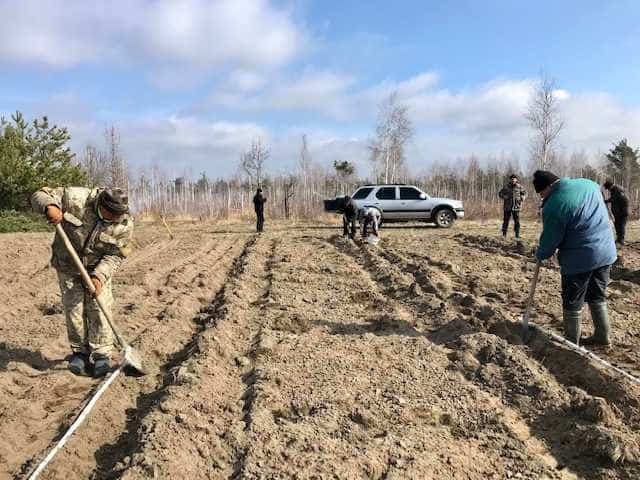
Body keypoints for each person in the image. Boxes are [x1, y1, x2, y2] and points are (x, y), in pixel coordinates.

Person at [31, 187, 134, 377]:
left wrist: (99, 277)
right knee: (74, 309)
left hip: (96, 267)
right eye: (110, 215)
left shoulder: (124, 224)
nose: (114, 220)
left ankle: (102, 355)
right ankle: (80, 354)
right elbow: (39, 194)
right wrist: (49, 205)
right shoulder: (75, 198)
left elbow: (116, 255)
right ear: (100, 205)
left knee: (99, 307)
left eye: (117, 216)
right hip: (68, 264)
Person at [533, 170, 617, 347]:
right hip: (606, 251)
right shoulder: (588, 184)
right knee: (597, 295)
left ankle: (571, 344)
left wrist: (540, 253)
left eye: (541, 193)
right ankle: (603, 337)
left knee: (572, 300)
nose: (541, 197)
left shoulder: (555, 204)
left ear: (549, 187)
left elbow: (550, 241)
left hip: (580, 259)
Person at [498, 174, 527, 238]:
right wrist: (504, 197)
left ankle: (517, 235)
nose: (513, 180)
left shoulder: (519, 187)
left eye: (514, 179)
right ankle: (504, 234)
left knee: (517, 221)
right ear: (510, 180)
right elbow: (500, 193)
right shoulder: (506, 187)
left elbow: (525, 193)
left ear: (516, 179)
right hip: (507, 207)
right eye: (512, 179)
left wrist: (522, 198)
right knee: (506, 221)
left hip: (516, 207)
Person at [603, 180, 630, 245]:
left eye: (608, 188)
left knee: (621, 226)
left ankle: (622, 240)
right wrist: (607, 201)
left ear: (611, 186)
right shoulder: (613, 190)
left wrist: (606, 201)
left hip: (623, 212)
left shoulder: (618, 190)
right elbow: (613, 198)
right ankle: (618, 239)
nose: (608, 190)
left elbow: (615, 199)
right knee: (617, 225)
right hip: (617, 212)